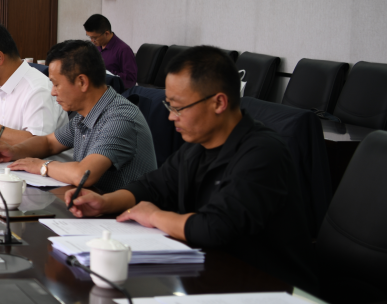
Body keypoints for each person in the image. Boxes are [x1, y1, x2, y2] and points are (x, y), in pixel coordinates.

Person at [66, 46, 314, 287]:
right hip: (211, 273)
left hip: (268, 288)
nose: (171, 116)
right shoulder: (198, 146)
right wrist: (105, 202)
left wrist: (154, 216)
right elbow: (152, 186)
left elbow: (215, 227)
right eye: (169, 106)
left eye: (178, 107)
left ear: (218, 103)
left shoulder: (263, 153)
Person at [0, 39, 156, 193]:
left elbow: (84, 174)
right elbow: (49, 143)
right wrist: (13, 151)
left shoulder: (120, 118)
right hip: (90, 203)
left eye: (56, 84)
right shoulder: (85, 115)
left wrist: (42, 166)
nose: (52, 92)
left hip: (123, 214)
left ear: (82, 82)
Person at [84, 13, 138, 90]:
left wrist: (105, 72)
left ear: (106, 33)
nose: (92, 41)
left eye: (94, 38)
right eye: (90, 37)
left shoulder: (123, 50)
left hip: (113, 91)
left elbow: (131, 79)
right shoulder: (96, 47)